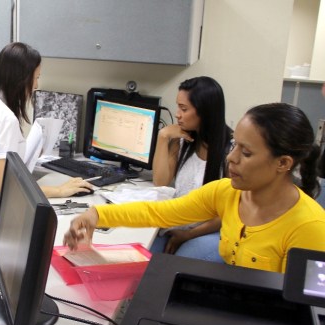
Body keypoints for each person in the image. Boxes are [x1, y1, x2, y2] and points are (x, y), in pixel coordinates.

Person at [64, 102, 325, 273]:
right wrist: (96, 215)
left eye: (245, 153)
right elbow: (161, 212)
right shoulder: (227, 193)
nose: (230, 158)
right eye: (233, 145)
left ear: (283, 163)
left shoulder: (310, 228)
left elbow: (303, 316)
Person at [0, 42, 94, 213]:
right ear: (21, 80)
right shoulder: (4, 119)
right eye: (35, 78)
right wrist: (59, 190)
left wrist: (29, 151)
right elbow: (7, 190)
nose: (36, 86)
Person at [150, 76, 232, 261]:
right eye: (178, 107)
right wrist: (163, 137)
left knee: (174, 266)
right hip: (178, 223)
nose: (177, 114)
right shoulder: (182, 139)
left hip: (208, 230)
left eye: (184, 109)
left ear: (205, 111)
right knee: (144, 257)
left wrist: (188, 235)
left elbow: (227, 213)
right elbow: (160, 181)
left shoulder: (231, 150)